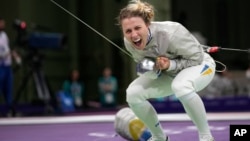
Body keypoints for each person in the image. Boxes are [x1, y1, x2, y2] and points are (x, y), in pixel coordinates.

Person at [116, 1, 216, 141]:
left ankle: (206, 137)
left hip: (201, 66)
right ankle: (159, 137)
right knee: (133, 94)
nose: (134, 35)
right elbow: (145, 65)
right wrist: (153, 69)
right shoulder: (129, 43)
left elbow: (196, 59)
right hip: (169, 75)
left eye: (137, 28)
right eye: (128, 31)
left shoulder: (172, 31)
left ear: (148, 25)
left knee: (181, 86)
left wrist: (170, 65)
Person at [0, 17, 21, 116]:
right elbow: (4, 53)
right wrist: (6, 54)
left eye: (3, 23)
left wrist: (15, 56)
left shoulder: (4, 35)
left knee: (9, 89)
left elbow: (9, 49)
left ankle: (10, 110)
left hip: (7, 67)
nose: (3, 25)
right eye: (1, 23)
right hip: (0, 66)